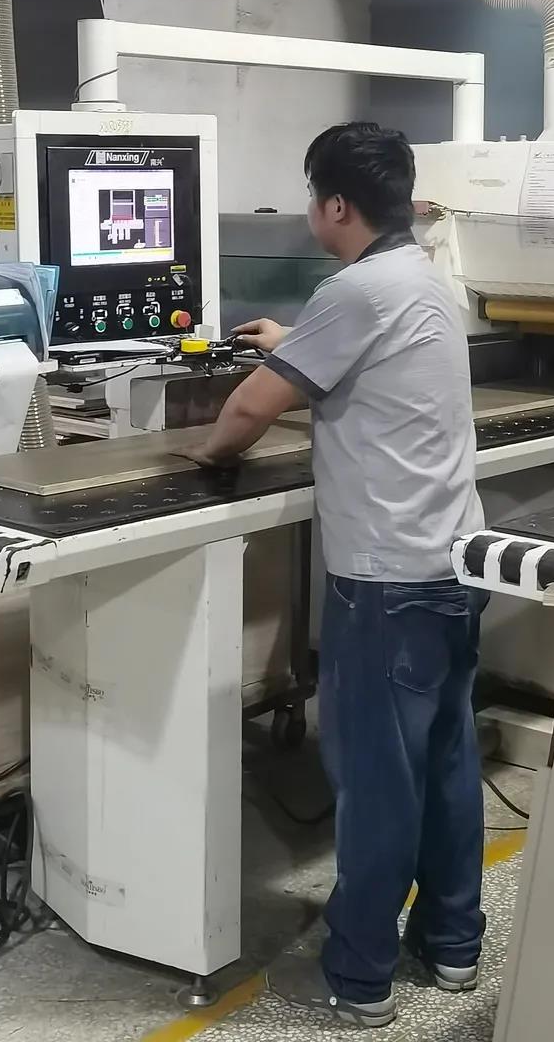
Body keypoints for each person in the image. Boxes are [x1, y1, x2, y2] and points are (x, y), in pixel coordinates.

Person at [184, 122, 485, 1029]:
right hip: (453, 562)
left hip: (386, 582)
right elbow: (356, 352)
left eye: (314, 197)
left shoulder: (354, 289)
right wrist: (294, 339)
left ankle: (359, 978)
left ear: (337, 205)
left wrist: (206, 456)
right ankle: (453, 944)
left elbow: (248, 408)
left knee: (377, 785)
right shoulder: (419, 275)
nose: (312, 211)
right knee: (446, 761)